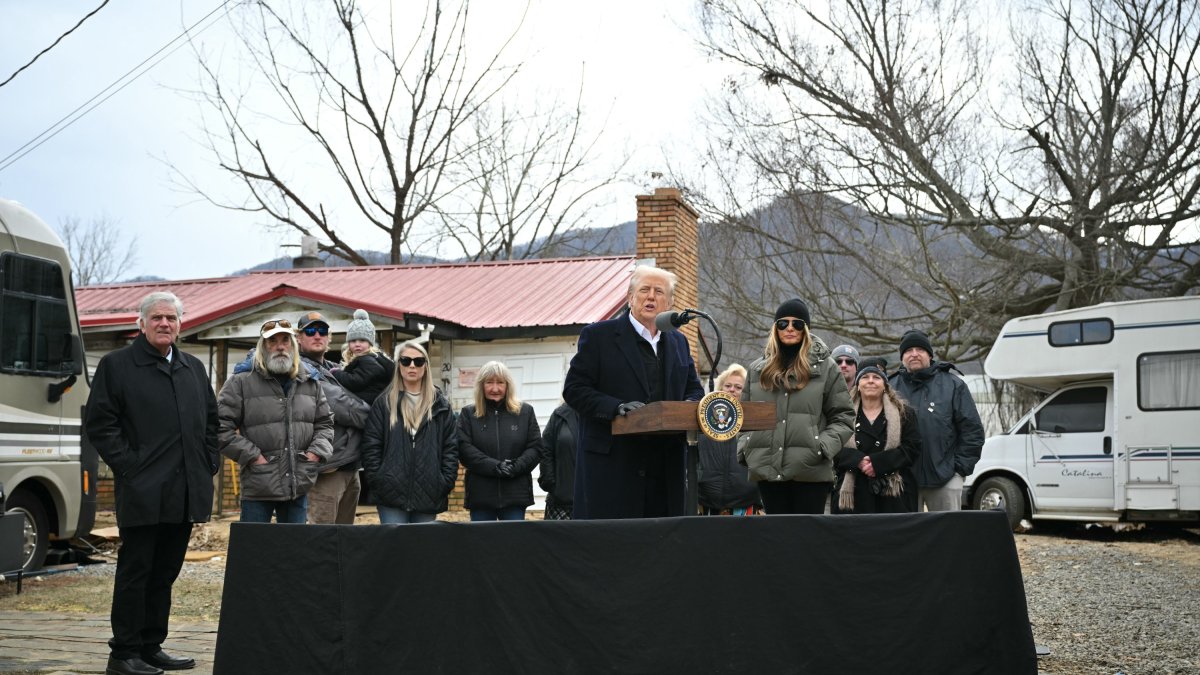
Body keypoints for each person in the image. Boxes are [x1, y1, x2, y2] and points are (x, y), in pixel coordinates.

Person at [84, 291, 218, 675]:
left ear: (180, 325)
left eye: (171, 318)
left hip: (186, 490)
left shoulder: (192, 367)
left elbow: (211, 421)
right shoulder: (118, 365)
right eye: (156, 317)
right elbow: (100, 424)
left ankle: (150, 646)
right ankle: (124, 654)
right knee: (135, 573)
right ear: (140, 324)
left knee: (165, 574)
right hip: (143, 491)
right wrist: (131, 468)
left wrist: (207, 462)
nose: (164, 324)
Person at [563, 264, 705, 519]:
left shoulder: (678, 341)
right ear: (630, 297)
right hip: (614, 466)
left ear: (670, 302)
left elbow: (693, 387)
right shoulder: (599, 336)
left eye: (659, 291)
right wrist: (615, 407)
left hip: (665, 467)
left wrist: (687, 407)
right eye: (644, 290)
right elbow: (574, 389)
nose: (651, 296)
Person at [738, 299, 855, 514]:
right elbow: (743, 418)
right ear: (775, 328)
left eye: (797, 324)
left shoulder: (827, 367)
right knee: (778, 541)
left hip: (811, 471)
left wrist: (821, 448)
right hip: (768, 470)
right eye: (783, 323)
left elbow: (844, 416)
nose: (790, 328)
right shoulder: (756, 370)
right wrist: (746, 449)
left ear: (806, 329)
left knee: (808, 541)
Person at [218, 319, 334, 523]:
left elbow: (325, 424)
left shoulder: (309, 382)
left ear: (294, 345)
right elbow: (219, 429)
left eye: (285, 340)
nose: (280, 346)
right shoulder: (241, 382)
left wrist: (315, 453)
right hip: (258, 486)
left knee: (295, 551)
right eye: (272, 341)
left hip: (298, 485)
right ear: (263, 347)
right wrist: (254, 458)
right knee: (255, 551)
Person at [360, 341, 459, 524]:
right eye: (406, 361)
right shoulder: (383, 403)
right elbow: (371, 446)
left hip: (429, 491)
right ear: (398, 365)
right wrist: (379, 480)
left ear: (426, 366)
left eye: (418, 361)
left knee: (422, 550)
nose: (412, 365)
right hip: (390, 494)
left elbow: (450, 448)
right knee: (394, 550)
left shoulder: (440, 405)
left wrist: (443, 482)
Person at [889, 329, 985, 512]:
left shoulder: (953, 385)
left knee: (947, 536)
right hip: (903, 481)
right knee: (906, 538)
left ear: (930, 355)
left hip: (946, 479)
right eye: (908, 350)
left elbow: (972, 430)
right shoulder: (890, 387)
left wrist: (959, 470)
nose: (914, 354)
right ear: (902, 357)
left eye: (920, 349)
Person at [294, 310, 370, 525]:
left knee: (344, 539)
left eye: (322, 330)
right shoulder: (301, 370)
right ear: (298, 338)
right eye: (310, 331)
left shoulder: (334, 369)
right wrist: (377, 415)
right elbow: (345, 407)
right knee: (321, 538)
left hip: (349, 466)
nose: (317, 335)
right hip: (327, 470)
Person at [458, 361, 543, 521]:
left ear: (508, 385)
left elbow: (535, 448)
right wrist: (495, 467)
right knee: (482, 545)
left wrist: (515, 467)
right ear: (481, 386)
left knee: (513, 545)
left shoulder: (525, 412)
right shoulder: (469, 414)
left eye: (500, 382)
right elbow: (464, 449)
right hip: (481, 496)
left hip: (515, 495)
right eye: (489, 382)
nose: (495, 388)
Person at [831, 364, 922, 513]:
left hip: (893, 493)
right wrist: (857, 460)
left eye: (876, 377)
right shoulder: (842, 413)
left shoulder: (904, 413)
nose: (871, 381)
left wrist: (878, 464)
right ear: (858, 385)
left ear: (885, 386)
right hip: (852, 493)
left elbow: (912, 448)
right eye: (865, 377)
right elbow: (832, 446)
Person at [697, 364, 762, 516]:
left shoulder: (756, 421)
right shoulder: (704, 421)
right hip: (708, 503)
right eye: (728, 385)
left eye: (738, 387)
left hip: (744, 504)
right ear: (720, 388)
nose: (732, 390)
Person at [331, 309, 395, 405]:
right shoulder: (372, 359)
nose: (357, 344)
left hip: (368, 404)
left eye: (362, 340)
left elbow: (355, 382)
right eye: (353, 341)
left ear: (370, 343)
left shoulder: (368, 360)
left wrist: (336, 373)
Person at [538, 403, 578, 520]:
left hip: (594, 502)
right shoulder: (559, 415)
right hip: (561, 503)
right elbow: (546, 450)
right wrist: (551, 485)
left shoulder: (602, 413)